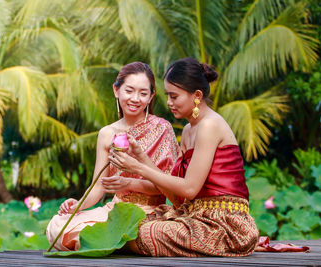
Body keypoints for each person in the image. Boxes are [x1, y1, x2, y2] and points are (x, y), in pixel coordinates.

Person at [107, 57, 260, 257]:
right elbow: (179, 199)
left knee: (143, 233)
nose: (169, 103)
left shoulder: (209, 125)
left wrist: (137, 168)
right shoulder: (189, 130)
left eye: (174, 96)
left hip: (224, 224)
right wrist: (141, 157)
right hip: (193, 215)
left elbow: (189, 188)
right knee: (132, 226)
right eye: (168, 96)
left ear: (196, 95)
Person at [46, 62, 180, 251]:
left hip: (151, 213)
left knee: (149, 233)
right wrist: (78, 205)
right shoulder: (107, 133)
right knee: (58, 226)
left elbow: (168, 186)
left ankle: (119, 242)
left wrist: (129, 184)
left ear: (151, 97)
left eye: (143, 93)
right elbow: (99, 186)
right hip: (116, 211)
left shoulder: (162, 128)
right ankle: (120, 243)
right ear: (116, 91)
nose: (135, 99)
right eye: (129, 91)